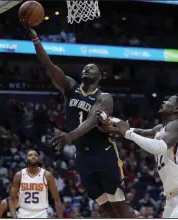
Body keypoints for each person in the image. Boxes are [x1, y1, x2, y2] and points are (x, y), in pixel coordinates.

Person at [20, 21, 134, 218]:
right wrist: (35, 39)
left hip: (103, 153)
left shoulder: (103, 97)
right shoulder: (70, 87)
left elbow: (93, 119)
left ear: (100, 76)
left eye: (92, 68)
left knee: (120, 206)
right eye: (85, 67)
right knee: (105, 207)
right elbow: (48, 65)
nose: (87, 69)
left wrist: (70, 136)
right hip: (83, 156)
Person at [98, 94, 178, 218]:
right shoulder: (159, 129)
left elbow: (159, 148)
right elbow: (134, 131)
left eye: (169, 100)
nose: (164, 101)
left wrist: (127, 133)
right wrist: (109, 125)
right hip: (171, 199)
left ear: (177, 109)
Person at [10, 150, 63, 218]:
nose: (33, 157)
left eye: (35, 155)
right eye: (30, 155)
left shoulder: (47, 175)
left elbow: (57, 199)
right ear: (26, 160)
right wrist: (14, 217)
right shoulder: (19, 175)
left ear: (39, 160)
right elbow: (12, 199)